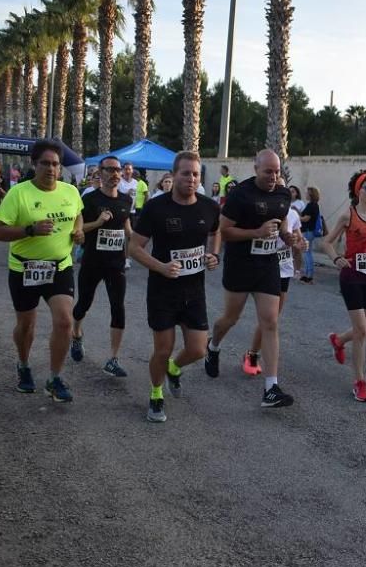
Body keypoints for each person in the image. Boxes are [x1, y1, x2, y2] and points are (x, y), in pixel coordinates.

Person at [130, 151, 220, 422]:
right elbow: (133, 247)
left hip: (194, 290)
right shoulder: (156, 208)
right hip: (162, 290)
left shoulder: (209, 206)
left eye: (196, 174)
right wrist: (161, 267)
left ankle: (174, 368)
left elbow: (217, 232)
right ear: (173, 175)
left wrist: (214, 255)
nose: (191, 179)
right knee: (162, 348)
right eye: (186, 173)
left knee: (198, 349)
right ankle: (156, 394)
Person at [0, 139, 85, 403]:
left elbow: (77, 213)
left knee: (65, 321)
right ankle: (23, 364)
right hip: (25, 268)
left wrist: (78, 231)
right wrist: (29, 230)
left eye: (56, 164)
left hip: (59, 267)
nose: (51, 169)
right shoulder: (18, 194)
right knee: (26, 325)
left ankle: (55, 379)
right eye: (45, 163)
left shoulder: (70, 191)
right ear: (34, 164)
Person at [205, 149, 296, 408]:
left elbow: (283, 222)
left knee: (270, 321)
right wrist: (256, 231)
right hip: (240, 264)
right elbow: (223, 231)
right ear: (256, 168)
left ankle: (271, 388)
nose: (273, 176)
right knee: (230, 319)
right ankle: (214, 345)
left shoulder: (282, 193)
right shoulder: (240, 195)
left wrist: (288, 236)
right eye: (268, 171)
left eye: (277, 171)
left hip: (268, 264)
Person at [323, 170, 366, 402]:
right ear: (358, 191)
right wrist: (336, 259)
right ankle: (360, 382)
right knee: (361, 330)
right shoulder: (348, 216)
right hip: (352, 276)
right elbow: (327, 242)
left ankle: (339, 340)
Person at [70, 155, 133, 378]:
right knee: (83, 304)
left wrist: (137, 240)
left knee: (119, 308)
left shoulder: (126, 200)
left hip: (116, 264)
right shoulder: (89, 200)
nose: (115, 174)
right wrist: (97, 223)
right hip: (92, 261)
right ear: (100, 172)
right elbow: (77, 230)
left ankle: (113, 359)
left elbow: (127, 227)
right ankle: (76, 334)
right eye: (110, 170)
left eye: (119, 170)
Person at [243, 176, 306, 377]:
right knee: (268, 319)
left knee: (273, 318)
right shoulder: (260, 211)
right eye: (275, 186)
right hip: (262, 266)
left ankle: (253, 353)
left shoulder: (293, 214)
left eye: (282, 186)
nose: (278, 190)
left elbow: (298, 238)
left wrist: (300, 244)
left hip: (284, 268)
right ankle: (252, 355)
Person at [118, 162, 139, 268]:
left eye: (129, 169)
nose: (127, 171)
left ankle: (127, 258)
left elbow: (137, 197)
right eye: (125, 169)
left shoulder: (136, 182)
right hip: (121, 212)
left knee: (130, 236)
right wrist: (127, 194)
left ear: (132, 171)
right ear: (122, 170)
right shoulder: (119, 182)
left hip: (132, 212)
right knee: (121, 235)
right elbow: (116, 196)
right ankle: (120, 256)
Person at [299, 186, 321, 283]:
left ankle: (309, 276)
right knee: (307, 253)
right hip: (309, 231)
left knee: (307, 253)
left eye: (307, 193)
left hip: (307, 231)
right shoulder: (314, 205)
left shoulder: (311, 205)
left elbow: (306, 218)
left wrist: (297, 217)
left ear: (311, 194)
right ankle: (307, 274)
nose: (306, 194)